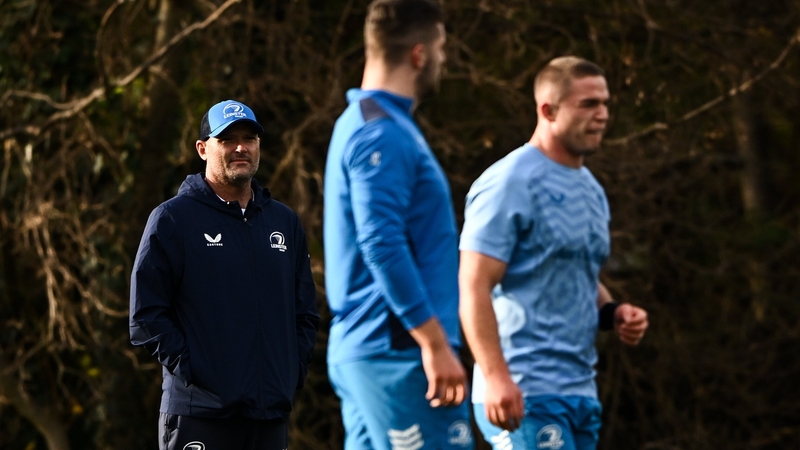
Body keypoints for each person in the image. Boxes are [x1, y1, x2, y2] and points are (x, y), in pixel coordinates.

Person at [458, 56, 649, 450]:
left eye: (605, 103)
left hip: (581, 390)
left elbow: (579, 273)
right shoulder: (509, 182)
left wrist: (614, 313)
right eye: (588, 104)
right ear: (548, 110)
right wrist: (495, 377)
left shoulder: (592, 191)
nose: (602, 115)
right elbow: (473, 284)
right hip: (524, 390)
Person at [323, 0, 474, 449]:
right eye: (441, 47)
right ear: (419, 54)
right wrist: (433, 341)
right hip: (398, 353)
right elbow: (381, 242)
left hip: (377, 350)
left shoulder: (366, 121)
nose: (444, 59)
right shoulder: (380, 132)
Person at [129, 99, 319, 450]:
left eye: (249, 138)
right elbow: (146, 316)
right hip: (201, 414)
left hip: (269, 416)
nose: (240, 148)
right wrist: (198, 370)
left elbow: (305, 313)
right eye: (227, 139)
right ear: (203, 149)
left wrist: (288, 374)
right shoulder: (173, 220)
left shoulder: (284, 223)